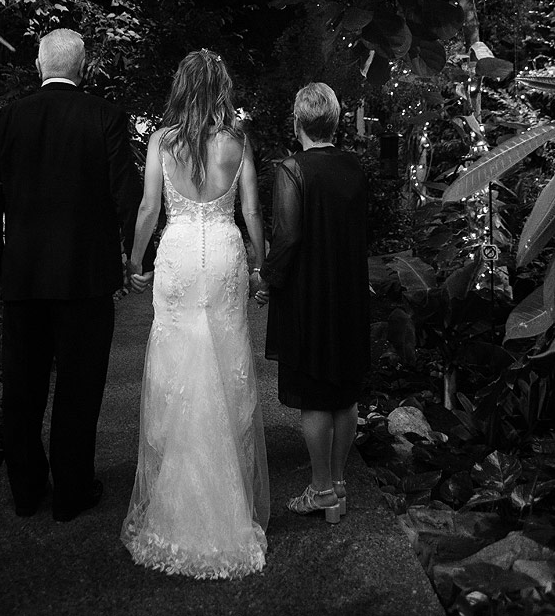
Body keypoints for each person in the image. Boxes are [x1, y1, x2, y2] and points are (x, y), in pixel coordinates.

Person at [0, 28, 147, 522]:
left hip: (23, 278)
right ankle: (72, 491)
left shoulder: (5, 120)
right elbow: (126, 196)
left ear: (38, 65)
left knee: (21, 390)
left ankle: (27, 490)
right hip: (86, 278)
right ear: (84, 66)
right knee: (80, 388)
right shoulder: (105, 116)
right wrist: (132, 260)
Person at [121, 50, 270, 579]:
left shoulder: (162, 141)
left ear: (181, 86)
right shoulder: (238, 140)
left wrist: (134, 260)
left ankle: (176, 497)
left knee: (177, 361)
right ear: (223, 87)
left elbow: (148, 209)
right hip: (225, 252)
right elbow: (251, 210)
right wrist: (259, 266)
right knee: (227, 358)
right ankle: (226, 496)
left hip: (180, 253)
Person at [254, 82, 370, 522]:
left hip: (310, 296)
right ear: (336, 120)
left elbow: (288, 238)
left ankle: (321, 489)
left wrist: (266, 280)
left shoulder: (291, 169)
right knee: (344, 392)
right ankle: (338, 485)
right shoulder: (355, 168)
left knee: (315, 397)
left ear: (298, 121)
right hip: (349, 293)